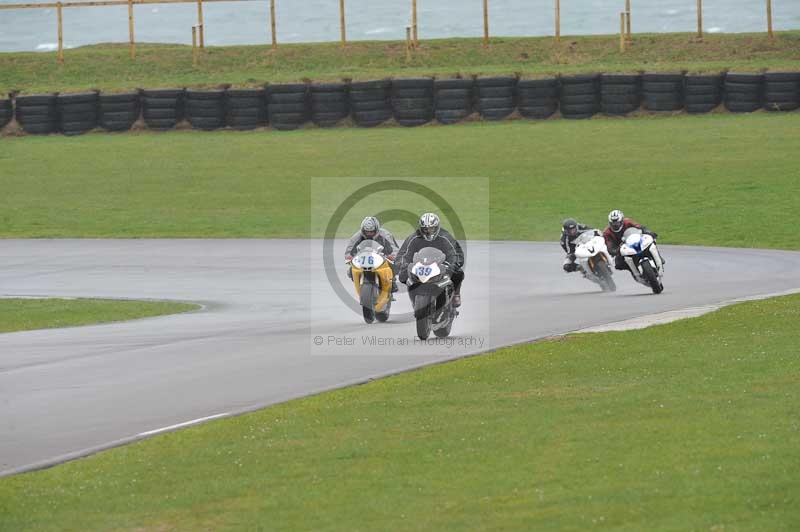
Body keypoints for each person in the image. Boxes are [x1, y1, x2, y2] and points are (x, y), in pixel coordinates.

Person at [397, 213, 465, 307]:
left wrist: (453, 264)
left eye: (431, 228)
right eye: (425, 229)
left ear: (437, 227)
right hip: (421, 265)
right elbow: (405, 253)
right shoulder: (414, 238)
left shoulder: (445, 236)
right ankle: (415, 300)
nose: (428, 231)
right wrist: (403, 263)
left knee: (458, 273)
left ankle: (456, 295)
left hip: (440, 264)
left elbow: (456, 253)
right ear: (421, 228)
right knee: (402, 276)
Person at [344, 217, 399, 291]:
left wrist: (393, 256)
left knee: (393, 265)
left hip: (382, 257)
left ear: (376, 230)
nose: (369, 233)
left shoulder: (386, 235)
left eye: (371, 231)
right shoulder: (357, 236)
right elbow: (349, 250)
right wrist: (349, 257)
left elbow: (394, 248)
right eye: (367, 231)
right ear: (363, 230)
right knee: (351, 270)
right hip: (363, 258)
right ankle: (359, 282)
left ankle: (393, 281)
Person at [603, 209, 663, 274]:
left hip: (635, 241)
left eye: (617, 223)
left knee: (651, 240)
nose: (615, 225)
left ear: (622, 221)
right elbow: (610, 247)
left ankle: (658, 258)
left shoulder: (628, 222)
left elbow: (639, 227)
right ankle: (634, 271)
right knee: (618, 264)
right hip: (622, 249)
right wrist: (615, 250)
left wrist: (649, 232)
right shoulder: (607, 233)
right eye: (613, 223)